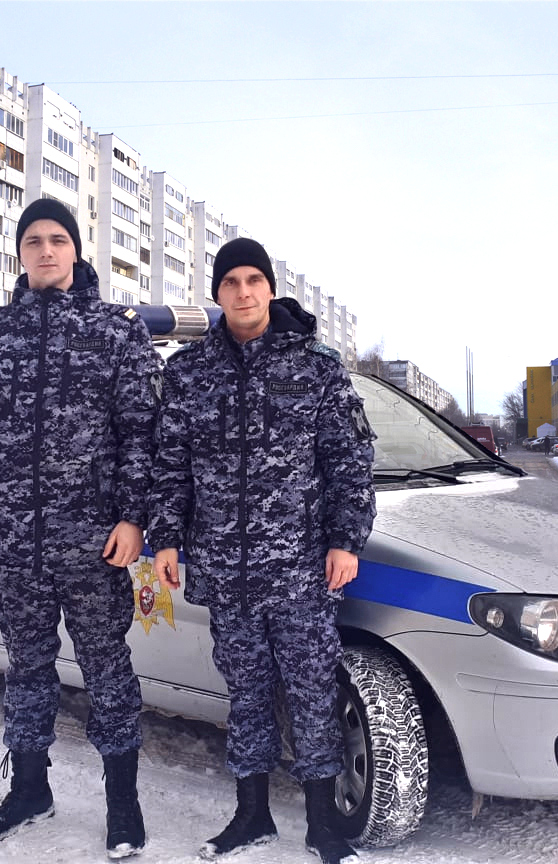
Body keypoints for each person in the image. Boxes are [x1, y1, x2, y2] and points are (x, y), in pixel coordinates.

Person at [0, 199, 160, 858]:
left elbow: (142, 437)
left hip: (92, 542)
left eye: (57, 239)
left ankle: (123, 804)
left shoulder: (116, 333)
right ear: (19, 254)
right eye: (32, 240)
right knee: (27, 666)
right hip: (13, 538)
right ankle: (30, 789)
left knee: (107, 669)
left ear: (76, 251)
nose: (45, 250)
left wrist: (132, 517)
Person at [147, 238, 376, 864]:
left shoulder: (317, 368)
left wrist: (344, 539)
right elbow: (170, 466)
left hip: (301, 568)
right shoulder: (189, 373)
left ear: (270, 289)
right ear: (217, 294)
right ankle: (251, 815)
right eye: (231, 282)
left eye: (254, 280)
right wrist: (164, 538)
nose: (244, 292)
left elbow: (350, 463)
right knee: (245, 691)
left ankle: (324, 824)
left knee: (310, 691)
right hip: (224, 568)